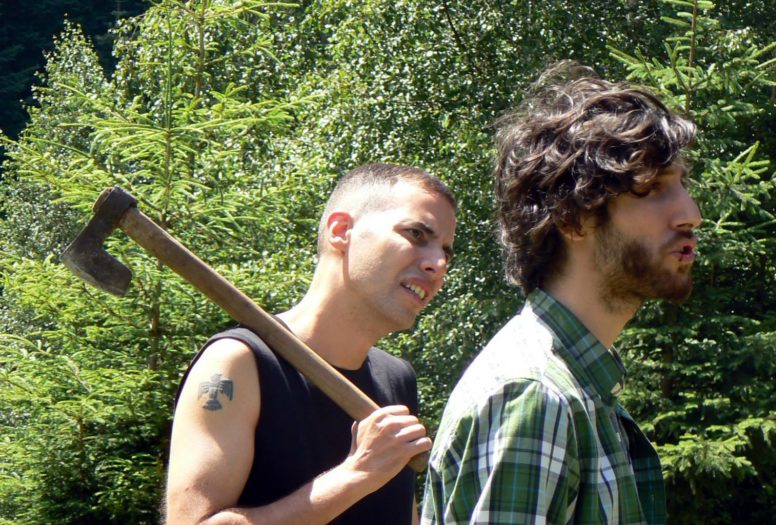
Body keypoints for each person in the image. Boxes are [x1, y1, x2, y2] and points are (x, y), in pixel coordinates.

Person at [421, 62, 701, 525]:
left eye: (682, 185)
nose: (691, 213)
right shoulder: (536, 396)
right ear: (571, 219)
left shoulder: (579, 387)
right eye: (652, 188)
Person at [166, 163, 456, 524]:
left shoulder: (396, 380)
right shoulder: (238, 364)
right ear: (341, 231)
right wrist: (355, 476)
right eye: (416, 234)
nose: (438, 264)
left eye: (446, 252)